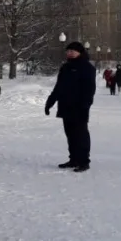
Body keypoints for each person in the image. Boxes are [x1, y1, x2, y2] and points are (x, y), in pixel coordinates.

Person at [46, 42, 96, 172]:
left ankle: (84, 161)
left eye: (72, 51)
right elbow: (59, 87)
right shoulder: (65, 67)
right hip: (65, 106)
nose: (69, 53)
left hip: (80, 107)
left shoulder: (87, 67)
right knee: (70, 135)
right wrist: (50, 102)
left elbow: (89, 89)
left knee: (81, 134)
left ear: (80, 52)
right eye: (68, 51)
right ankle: (73, 159)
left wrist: (85, 106)